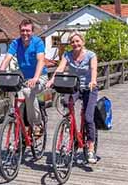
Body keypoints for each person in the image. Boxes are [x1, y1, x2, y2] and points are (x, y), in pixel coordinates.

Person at [46, 33, 99, 164]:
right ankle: (70, 127)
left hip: (89, 88)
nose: (75, 44)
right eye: (72, 42)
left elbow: (93, 69)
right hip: (74, 87)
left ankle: (91, 147)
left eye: (77, 41)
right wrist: (52, 80)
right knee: (65, 102)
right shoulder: (67, 55)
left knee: (88, 117)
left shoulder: (91, 55)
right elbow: (60, 68)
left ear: (83, 42)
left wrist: (93, 81)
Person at [0, 19, 48, 131]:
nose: (25, 33)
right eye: (22, 30)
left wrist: (35, 78)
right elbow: (7, 59)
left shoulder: (38, 42)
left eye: (27, 30)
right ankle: (20, 132)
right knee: (15, 98)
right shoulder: (16, 43)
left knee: (28, 92)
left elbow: (41, 60)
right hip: (24, 77)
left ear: (32, 32)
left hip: (40, 77)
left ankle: (37, 124)